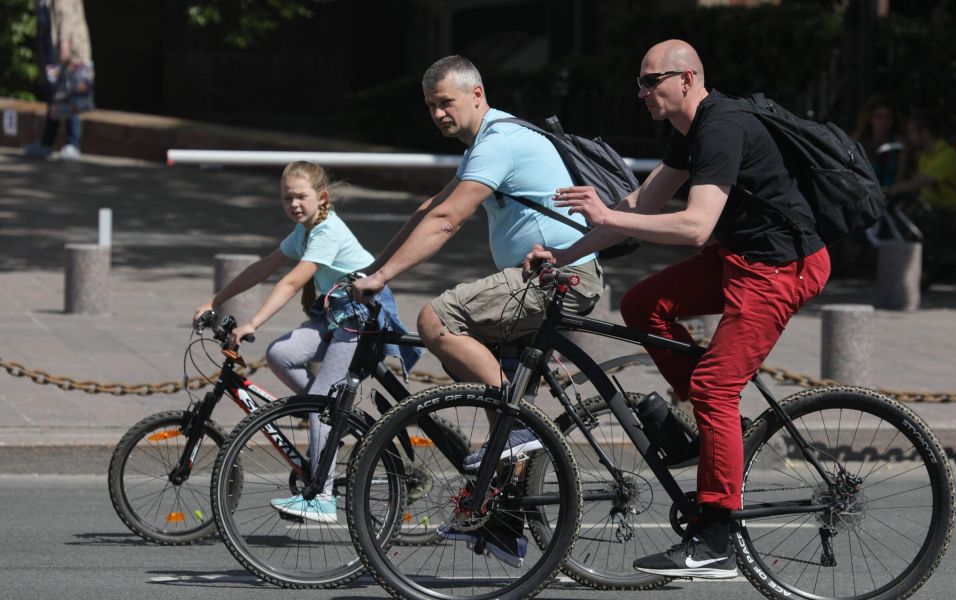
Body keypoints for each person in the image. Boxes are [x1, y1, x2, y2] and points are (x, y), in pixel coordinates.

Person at [525, 39, 831, 579]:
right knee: (643, 304)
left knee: (716, 384)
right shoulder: (687, 131)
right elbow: (639, 205)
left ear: (686, 79)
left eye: (651, 81)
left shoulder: (720, 127)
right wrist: (564, 254)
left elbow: (693, 226)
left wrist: (608, 217)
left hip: (781, 266)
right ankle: (712, 431)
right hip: (738, 257)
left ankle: (717, 539)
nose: (641, 91)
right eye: (639, 81)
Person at [351, 55, 604, 566]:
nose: (438, 113)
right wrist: (369, 270)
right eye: (430, 106)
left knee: (437, 320)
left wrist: (382, 280)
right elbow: (428, 210)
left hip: (555, 280)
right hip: (539, 283)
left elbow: (449, 220)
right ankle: (506, 525)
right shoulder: (483, 146)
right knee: (499, 402)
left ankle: (519, 430)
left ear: (477, 95)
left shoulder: (499, 141)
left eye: (445, 102)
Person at [193, 161, 420, 524]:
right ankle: (335, 423)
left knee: (320, 406)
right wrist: (215, 300)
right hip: (335, 313)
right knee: (280, 354)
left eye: (301, 196)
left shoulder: (327, 231)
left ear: (322, 197)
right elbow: (262, 268)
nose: (294, 204)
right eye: (287, 198)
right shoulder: (303, 231)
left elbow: (290, 282)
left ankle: (324, 497)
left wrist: (253, 321)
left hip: (361, 315)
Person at [885, 109, 956, 279]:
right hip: (934, 210)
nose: (909, 137)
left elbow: (918, 183)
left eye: (911, 131)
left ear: (923, 132)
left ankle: (925, 270)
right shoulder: (924, 156)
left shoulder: (947, 154)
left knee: (919, 219)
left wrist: (890, 190)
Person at [23, 0, 94, 161]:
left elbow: (66, 15)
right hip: (52, 53)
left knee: (71, 96)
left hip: (68, 51)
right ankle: (46, 143)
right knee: (55, 97)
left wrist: (65, 45)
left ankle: (73, 144)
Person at [852, 94, 908, 188]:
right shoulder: (858, 141)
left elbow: (899, 180)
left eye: (888, 117)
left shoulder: (900, 144)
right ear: (870, 118)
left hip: (891, 195)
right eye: (878, 117)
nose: (883, 122)